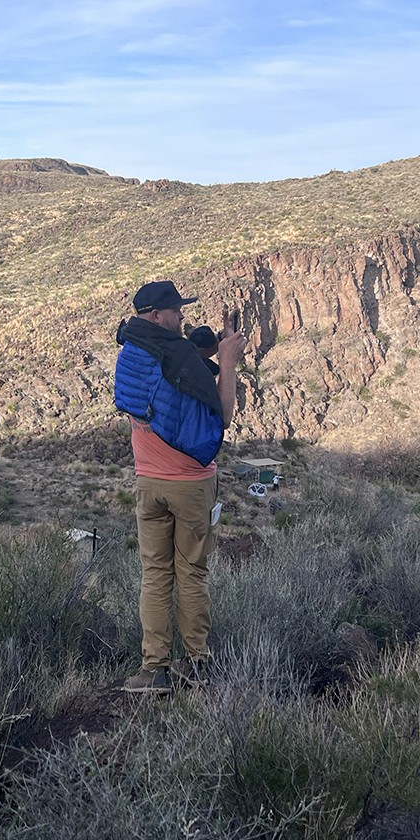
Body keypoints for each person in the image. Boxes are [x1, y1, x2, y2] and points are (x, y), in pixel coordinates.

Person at [113, 280, 242, 694]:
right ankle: (196, 664)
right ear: (156, 315)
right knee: (191, 574)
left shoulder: (130, 355)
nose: (182, 316)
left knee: (154, 576)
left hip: (148, 482)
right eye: (176, 311)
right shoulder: (181, 356)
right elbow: (220, 416)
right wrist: (228, 362)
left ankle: (154, 670)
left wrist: (210, 354)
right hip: (190, 486)